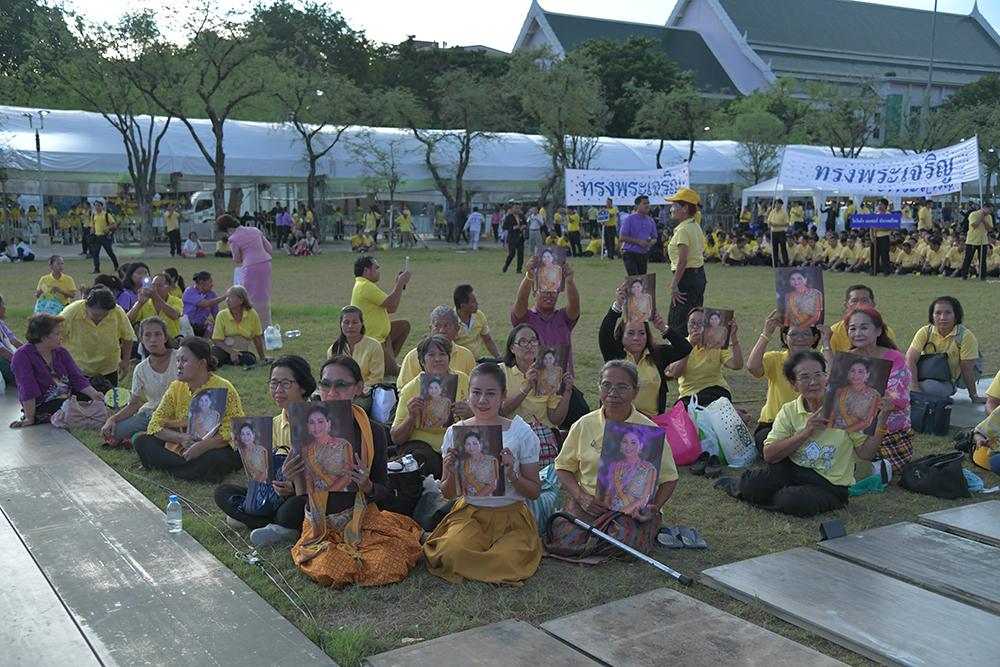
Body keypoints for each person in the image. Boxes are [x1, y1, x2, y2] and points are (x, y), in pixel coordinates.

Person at [292, 355, 423, 589]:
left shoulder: (373, 432)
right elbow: (303, 487)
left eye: (341, 385)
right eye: (326, 384)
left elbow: (382, 487)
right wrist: (291, 478)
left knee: (388, 563)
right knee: (333, 570)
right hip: (320, 527)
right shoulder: (306, 427)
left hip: (361, 520)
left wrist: (367, 486)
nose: (332, 392)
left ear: (359, 388)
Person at [715, 350, 893, 517]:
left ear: (827, 377)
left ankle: (771, 495)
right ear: (794, 385)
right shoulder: (790, 410)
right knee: (750, 485)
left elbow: (865, 453)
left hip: (828, 484)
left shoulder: (845, 408)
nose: (813, 382)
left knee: (794, 501)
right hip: (791, 470)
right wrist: (806, 432)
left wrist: (882, 419)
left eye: (818, 375)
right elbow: (769, 455)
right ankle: (751, 489)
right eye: (805, 377)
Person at [425, 363, 542, 585]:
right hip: (471, 515)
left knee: (507, 560)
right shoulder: (456, 433)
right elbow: (448, 494)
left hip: (511, 517)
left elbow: (535, 492)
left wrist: (512, 475)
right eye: (476, 393)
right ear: (468, 394)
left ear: (503, 395)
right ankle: (472, 557)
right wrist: (450, 472)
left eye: (491, 394)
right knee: (451, 552)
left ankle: (483, 560)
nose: (482, 400)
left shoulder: (520, 432)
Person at [548, 360, 678, 559]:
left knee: (626, 544)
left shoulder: (649, 431)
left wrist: (654, 509)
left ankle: (606, 538)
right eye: (606, 385)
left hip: (631, 510)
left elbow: (669, 479)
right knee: (565, 538)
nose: (612, 393)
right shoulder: (584, 424)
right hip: (590, 505)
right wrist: (581, 497)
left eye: (622, 387)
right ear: (599, 388)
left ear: (635, 392)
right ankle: (604, 538)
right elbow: (563, 467)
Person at [214, 356, 313, 543]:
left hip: (307, 494)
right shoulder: (273, 425)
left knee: (291, 509)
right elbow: (263, 474)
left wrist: (295, 488)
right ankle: (275, 526)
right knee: (222, 493)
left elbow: (328, 476)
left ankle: (265, 521)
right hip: (276, 494)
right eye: (273, 383)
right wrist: (246, 450)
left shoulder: (318, 422)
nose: (278, 390)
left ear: (303, 387)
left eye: (286, 383)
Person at [132, 337, 244, 482]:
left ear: (202, 363)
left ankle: (173, 467)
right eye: (177, 360)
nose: (178, 366)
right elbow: (155, 424)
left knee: (217, 458)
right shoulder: (176, 388)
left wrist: (204, 446)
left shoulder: (224, 387)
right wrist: (182, 438)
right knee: (141, 441)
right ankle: (192, 470)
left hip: (213, 446)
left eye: (184, 361)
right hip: (183, 444)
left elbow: (234, 429)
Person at [599, 287, 692, 418]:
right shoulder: (615, 356)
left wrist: (663, 328)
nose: (636, 338)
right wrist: (617, 306)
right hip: (619, 423)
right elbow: (604, 335)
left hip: (651, 424)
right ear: (622, 336)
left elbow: (684, 348)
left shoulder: (657, 354)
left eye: (641, 333)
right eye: (631, 333)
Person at [390, 334, 473, 479]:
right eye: (431, 355)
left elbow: (485, 419)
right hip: (423, 444)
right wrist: (411, 417)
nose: (438, 359)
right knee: (423, 459)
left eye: (443, 354)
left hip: (457, 442)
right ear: (422, 361)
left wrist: (470, 414)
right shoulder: (410, 389)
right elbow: (396, 438)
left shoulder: (464, 380)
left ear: (449, 358)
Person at [9, 313, 106, 427]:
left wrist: (94, 394)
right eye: (57, 334)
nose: (61, 337)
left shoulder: (61, 352)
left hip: (66, 397)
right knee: (73, 409)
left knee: (99, 387)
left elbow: (77, 378)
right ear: (44, 337)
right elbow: (28, 389)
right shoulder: (22, 356)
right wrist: (29, 417)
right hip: (44, 404)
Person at [747, 310, 821, 452]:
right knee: (772, 447)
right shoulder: (775, 359)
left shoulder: (819, 363)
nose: (799, 339)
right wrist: (766, 333)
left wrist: (828, 342)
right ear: (784, 338)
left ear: (814, 338)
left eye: (806, 334)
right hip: (773, 424)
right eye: (793, 334)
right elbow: (752, 367)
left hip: (808, 425)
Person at [501, 324, 574, 466]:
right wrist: (527, 387)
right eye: (523, 342)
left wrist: (567, 392)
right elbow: (501, 410)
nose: (529, 346)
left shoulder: (549, 373)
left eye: (533, 341)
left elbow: (556, 419)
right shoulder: (501, 372)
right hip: (514, 435)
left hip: (545, 435)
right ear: (512, 348)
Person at [101, 317, 178, 444]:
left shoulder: (179, 358)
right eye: (147, 335)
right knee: (116, 431)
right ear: (141, 339)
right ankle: (145, 435)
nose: (152, 339)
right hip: (152, 416)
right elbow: (133, 406)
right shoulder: (141, 369)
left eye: (157, 334)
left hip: (180, 415)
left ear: (165, 337)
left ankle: (144, 437)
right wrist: (112, 419)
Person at [512, 254, 580, 375]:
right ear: (534, 295)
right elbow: (521, 301)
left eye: (553, 292)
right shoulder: (525, 318)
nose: (549, 295)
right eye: (543, 292)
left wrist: (569, 281)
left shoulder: (564, 317)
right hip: (530, 379)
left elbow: (574, 303)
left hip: (562, 379)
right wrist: (529, 277)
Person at [905, 296, 983, 401]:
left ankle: (906, 391)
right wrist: (914, 388)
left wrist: (974, 396)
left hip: (945, 382)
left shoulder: (965, 336)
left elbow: (967, 368)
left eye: (948, 313)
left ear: (956, 315)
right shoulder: (925, 332)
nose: (942, 317)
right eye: (938, 313)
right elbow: (910, 359)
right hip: (919, 378)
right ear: (932, 316)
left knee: (930, 387)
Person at [59, 287, 134, 388]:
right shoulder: (71, 313)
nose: (100, 318)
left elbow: (128, 335)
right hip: (77, 368)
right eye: (96, 315)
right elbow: (54, 336)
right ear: (86, 305)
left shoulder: (117, 312)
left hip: (108, 368)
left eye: (104, 315)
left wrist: (126, 360)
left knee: (107, 397)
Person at [350, 255, 411, 377]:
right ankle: (380, 363)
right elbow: (392, 304)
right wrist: (400, 284)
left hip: (381, 337)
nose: (379, 272)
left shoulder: (364, 285)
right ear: (366, 270)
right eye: (376, 268)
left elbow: (390, 309)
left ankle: (387, 359)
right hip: (373, 340)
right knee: (392, 371)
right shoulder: (365, 286)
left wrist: (398, 286)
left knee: (404, 326)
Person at [667, 309, 743, 407]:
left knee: (704, 405)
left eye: (700, 323)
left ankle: (720, 411)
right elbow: (675, 373)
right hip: (689, 395)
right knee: (686, 409)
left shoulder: (716, 344)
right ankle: (729, 413)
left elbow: (737, 365)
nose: (695, 327)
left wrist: (733, 337)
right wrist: (689, 347)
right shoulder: (679, 345)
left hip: (715, 390)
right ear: (687, 325)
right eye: (692, 323)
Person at [396, 306, 476, 388]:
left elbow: (474, 387)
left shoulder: (466, 355)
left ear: (457, 329)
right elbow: (403, 390)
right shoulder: (413, 357)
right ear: (431, 328)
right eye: (437, 325)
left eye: (447, 325)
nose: (442, 331)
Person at [216, 213, 273, 328]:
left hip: (251, 266)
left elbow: (237, 259)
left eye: (225, 233)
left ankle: (251, 324)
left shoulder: (233, 238)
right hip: (265, 263)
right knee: (263, 294)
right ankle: (265, 324)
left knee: (248, 295)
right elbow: (269, 248)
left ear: (229, 230)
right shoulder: (255, 230)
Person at [665, 189, 706, 336]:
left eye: (674, 206)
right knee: (693, 323)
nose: (671, 209)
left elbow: (682, 261)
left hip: (686, 279)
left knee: (678, 326)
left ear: (685, 208)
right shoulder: (695, 226)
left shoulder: (684, 230)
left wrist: (674, 286)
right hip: (698, 277)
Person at [600, 427, 657, 514]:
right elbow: (607, 495)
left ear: (641, 446)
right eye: (625, 442)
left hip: (632, 514)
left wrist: (619, 513)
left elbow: (641, 501)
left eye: (633, 442)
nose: (628, 446)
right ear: (621, 444)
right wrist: (605, 512)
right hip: (609, 511)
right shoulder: (613, 466)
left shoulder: (647, 469)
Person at [327, 305, 384, 390]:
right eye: (346, 322)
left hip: (365, 392)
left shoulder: (374, 346)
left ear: (362, 323)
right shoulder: (334, 349)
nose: (350, 326)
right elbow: (330, 376)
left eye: (355, 322)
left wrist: (357, 390)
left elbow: (376, 378)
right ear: (340, 324)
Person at [828, 285, 897, 354]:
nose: (860, 305)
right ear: (846, 306)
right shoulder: (834, 331)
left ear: (873, 305)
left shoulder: (887, 332)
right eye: (854, 301)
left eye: (864, 301)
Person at [212, 286, 267, 367]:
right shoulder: (222, 315)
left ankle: (230, 360)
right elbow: (217, 341)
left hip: (242, 352)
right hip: (224, 350)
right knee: (216, 355)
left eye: (230, 298)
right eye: (226, 297)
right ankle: (230, 360)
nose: (227, 300)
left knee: (250, 359)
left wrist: (262, 356)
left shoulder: (252, 314)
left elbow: (257, 337)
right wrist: (232, 352)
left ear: (241, 300)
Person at [827, 358, 881, 432]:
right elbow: (832, 416)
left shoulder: (872, 394)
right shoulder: (840, 391)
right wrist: (829, 430)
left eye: (860, 371)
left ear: (867, 375)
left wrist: (843, 431)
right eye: (853, 370)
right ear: (848, 372)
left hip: (854, 434)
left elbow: (866, 422)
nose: (855, 374)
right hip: (834, 431)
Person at [127, 273, 183, 339]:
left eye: (159, 286)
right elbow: (127, 321)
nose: (155, 288)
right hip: (149, 341)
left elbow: (174, 315)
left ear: (169, 288)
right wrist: (140, 303)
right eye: (153, 285)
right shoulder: (145, 302)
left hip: (171, 340)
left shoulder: (176, 301)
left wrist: (155, 297)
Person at [453, 285, 501, 360]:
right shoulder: (450, 321)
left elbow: (488, 340)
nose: (477, 304)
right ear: (463, 306)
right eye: (473, 302)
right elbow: (447, 348)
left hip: (479, 361)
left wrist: (499, 357)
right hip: (459, 364)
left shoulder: (479, 316)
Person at [619, 195, 657, 276]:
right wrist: (639, 242)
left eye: (648, 203)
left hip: (643, 254)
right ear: (637, 206)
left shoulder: (651, 221)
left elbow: (655, 238)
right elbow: (622, 237)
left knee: (641, 279)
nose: (647, 206)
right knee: (634, 279)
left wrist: (651, 242)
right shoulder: (629, 219)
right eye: (645, 203)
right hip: (630, 253)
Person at [182, 271, 224, 337]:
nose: (212, 284)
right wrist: (224, 297)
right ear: (202, 282)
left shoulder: (212, 294)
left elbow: (216, 315)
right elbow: (206, 303)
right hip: (185, 327)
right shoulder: (190, 291)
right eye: (210, 282)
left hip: (198, 329)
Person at [960, 201, 994, 280]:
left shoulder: (989, 217)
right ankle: (964, 275)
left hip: (983, 240)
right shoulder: (973, 214)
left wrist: (985, 221)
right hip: (972, 240)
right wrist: (980, 217)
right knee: (968, 258)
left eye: (991, 211)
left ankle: (982, 275)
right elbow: (974, 225)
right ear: (984, 208)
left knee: (982, 259)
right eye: (989, 210)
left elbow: (990, 229)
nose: (990, 212)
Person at [0, 294, 24, 387]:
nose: (5, 307)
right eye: (3, 304)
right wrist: (22, 363)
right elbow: (2, 351)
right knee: (2, 361)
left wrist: (32, 353)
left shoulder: (1, 324)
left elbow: (14, 341)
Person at [90, 199, 119, 275]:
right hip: (97, 236)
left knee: (109, 252)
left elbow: (114, 224)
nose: (97, 207)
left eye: (98, 205)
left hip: (105, 236)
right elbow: (92, 226)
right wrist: (90, 236)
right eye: (96, 205)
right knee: (95, 253)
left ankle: (116, 265)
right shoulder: (94, 215)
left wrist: (108, 227)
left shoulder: (106, 215)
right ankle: (96, 268)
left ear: (102, 206)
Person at [502, 202, 526, 274]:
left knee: (521, 254)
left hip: (520, 238)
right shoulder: (509, 217)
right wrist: (514, 227)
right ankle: (506, 266)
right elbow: (505, 227)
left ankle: (519, 269)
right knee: (512, 254)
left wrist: (524, 226)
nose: (517, 209)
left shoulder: (521, 216)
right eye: (515, 208)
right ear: (512, 209)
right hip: (512, 238)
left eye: (518, 208)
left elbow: (525, 224)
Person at [768, 198, 790, 267]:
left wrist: (778, 224)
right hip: (773, 232)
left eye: (779, 204)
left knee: (783, 247)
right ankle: (775, 262)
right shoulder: (772, 212)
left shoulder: (784, 213)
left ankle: (785, 263)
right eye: (776, 204)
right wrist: (770, 223)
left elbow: (787, 223)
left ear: (781, 205)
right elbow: (769, 220)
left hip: (781, 232)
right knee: (775, 248)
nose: (777, 205)